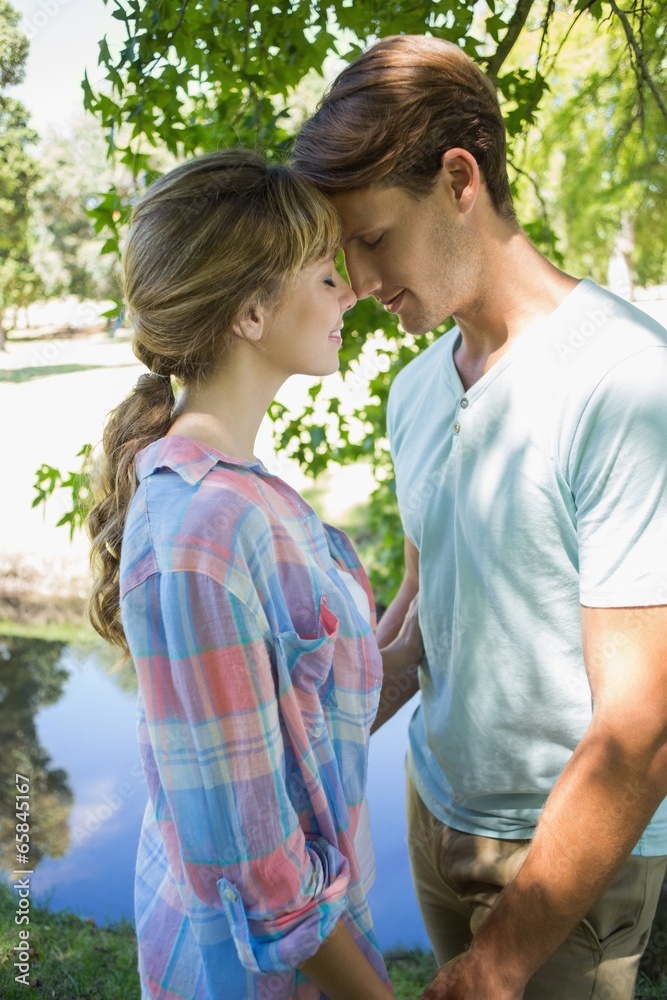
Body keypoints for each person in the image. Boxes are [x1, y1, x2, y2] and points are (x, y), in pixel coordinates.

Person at [291, 34, 667, 1000]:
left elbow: (643, 728)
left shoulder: (626, 384)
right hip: (431, 810)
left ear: (460, 179)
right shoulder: (414, 391)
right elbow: (427, 608)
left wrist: (500, 963)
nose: (362, 284)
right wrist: (299, 735)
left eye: (372, 238)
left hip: (565, 857)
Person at [86, 149, 423, 1000]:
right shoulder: (200, 536)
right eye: (322, 273)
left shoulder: (243, 496)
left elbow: (297, 729)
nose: (348, 290)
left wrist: (419, 630)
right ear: (248, 311)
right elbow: (258, 872)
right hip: (249, 976)